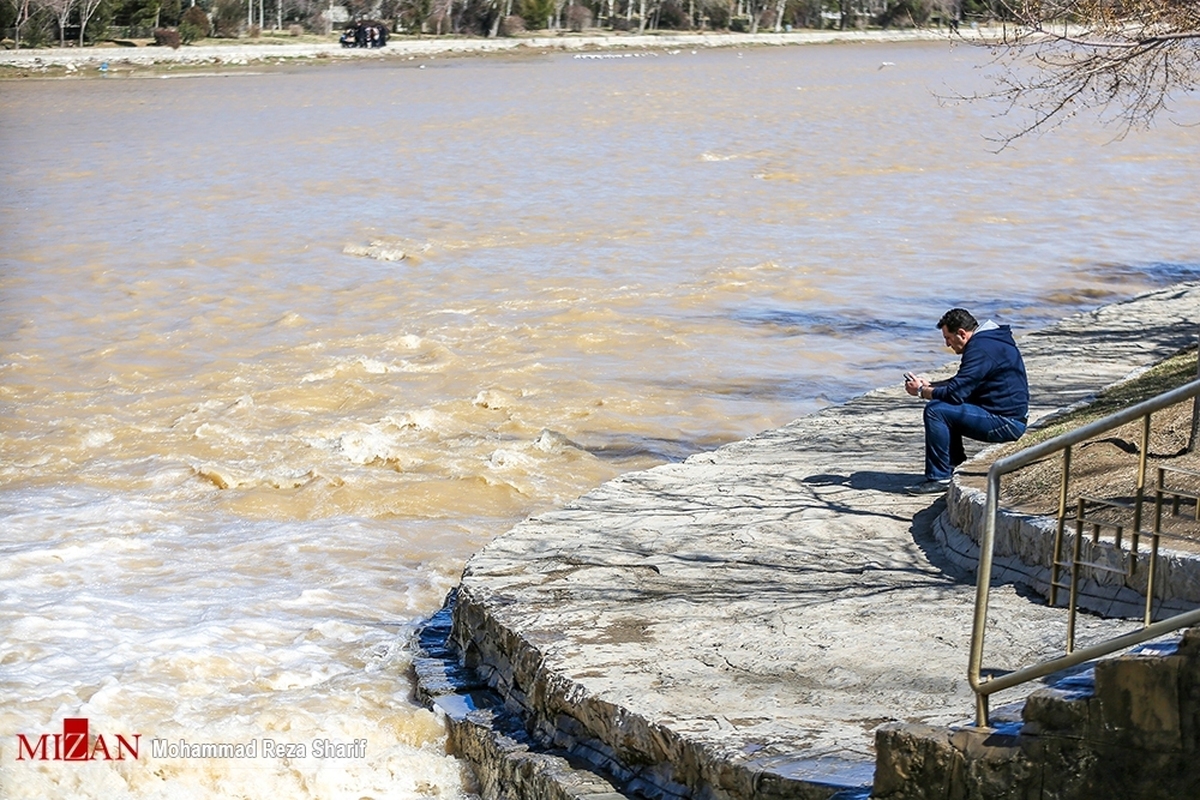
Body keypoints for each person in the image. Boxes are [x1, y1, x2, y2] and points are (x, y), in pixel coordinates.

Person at [903, 308, 1029, 494]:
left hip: (1007, 423)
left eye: (948, 338)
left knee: (936, 411)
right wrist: (931, 384)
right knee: (943, 407)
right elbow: (964, 383)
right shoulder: (990, 340)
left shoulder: (980, 349)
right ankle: (954, 465)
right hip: (1009, 416)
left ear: (961, 333)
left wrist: (921, 391)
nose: (947, 344)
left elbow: (955, 394)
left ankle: (940, 477)